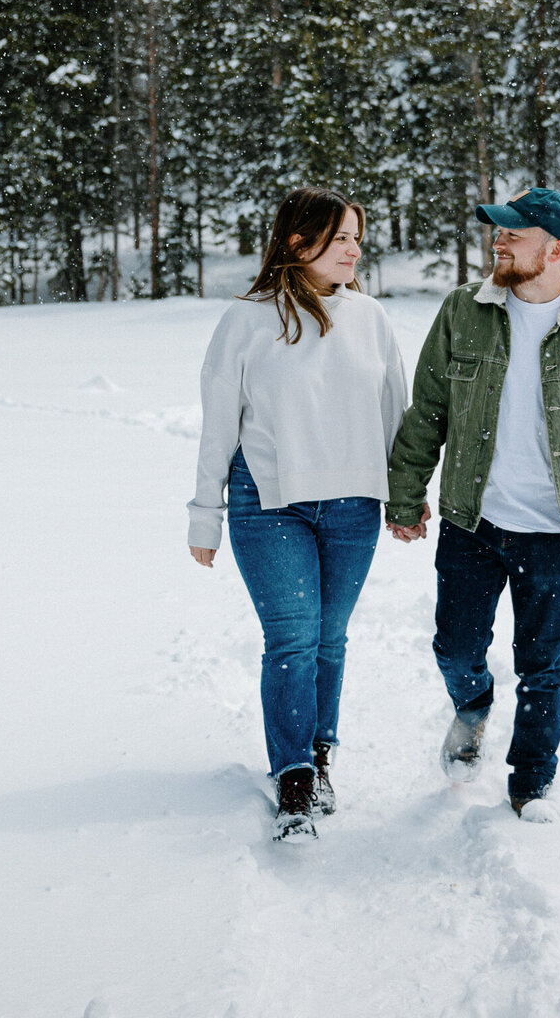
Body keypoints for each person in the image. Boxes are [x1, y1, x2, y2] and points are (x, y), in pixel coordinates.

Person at [385, 186, 560, 818]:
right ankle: (472, 707)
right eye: (497, 232)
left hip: (555, 531)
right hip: (472, 522)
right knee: (454, 648)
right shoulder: (463, 311)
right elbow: (427, 412)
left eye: (513, 234)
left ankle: (531, 781)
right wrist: (405, 495)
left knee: (542, 664)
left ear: (556, 250)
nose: (498, 242)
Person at [188, 187, 407, 841]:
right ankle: (293, 777)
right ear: (296, 242)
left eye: (356, 238)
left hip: (354, 504)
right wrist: (205, 517)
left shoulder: (370, 318)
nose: (353, 249)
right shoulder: (248, 320)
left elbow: (396, 412)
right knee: (291, 639)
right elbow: (217, 428)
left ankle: (320, 755)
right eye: (340, 237)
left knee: (328, 639)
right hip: (268, 501)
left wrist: (404, 493)